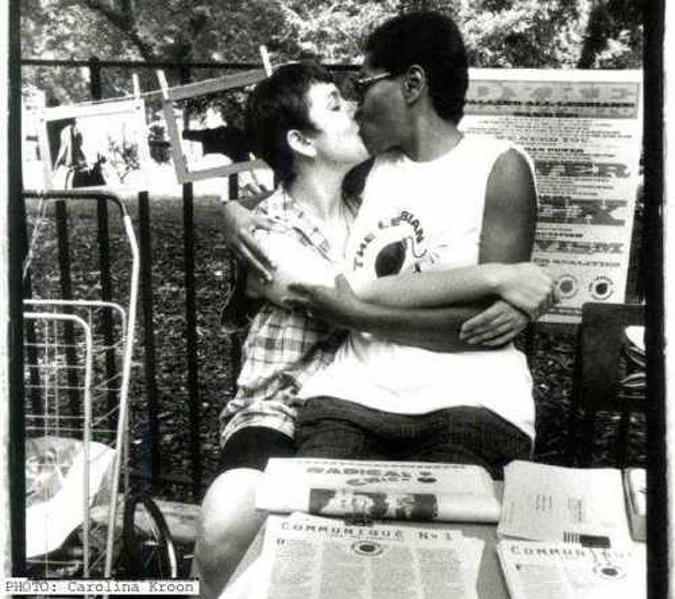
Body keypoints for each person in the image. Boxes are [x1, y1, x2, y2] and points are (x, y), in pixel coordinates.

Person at [194, 58, 553, 598]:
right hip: (281, 403)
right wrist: (500, 277)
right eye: (336, 104)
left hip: (355, 388)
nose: (355, 108)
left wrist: (518, 302)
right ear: (302, 141)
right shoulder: (267, 230)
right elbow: (340, 296)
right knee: (227, 528)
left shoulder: (372, 195)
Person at [286, 12, 544, 477]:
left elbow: (479, 326)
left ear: (412, 84)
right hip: (354, 395)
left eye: (364, 85)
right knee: (312, 511)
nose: (356, 105)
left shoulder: (498, 167)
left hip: (471, 400)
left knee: (450, 517)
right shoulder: (369, 169)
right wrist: (234, 215)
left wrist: (357, 315)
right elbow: (285, 200)